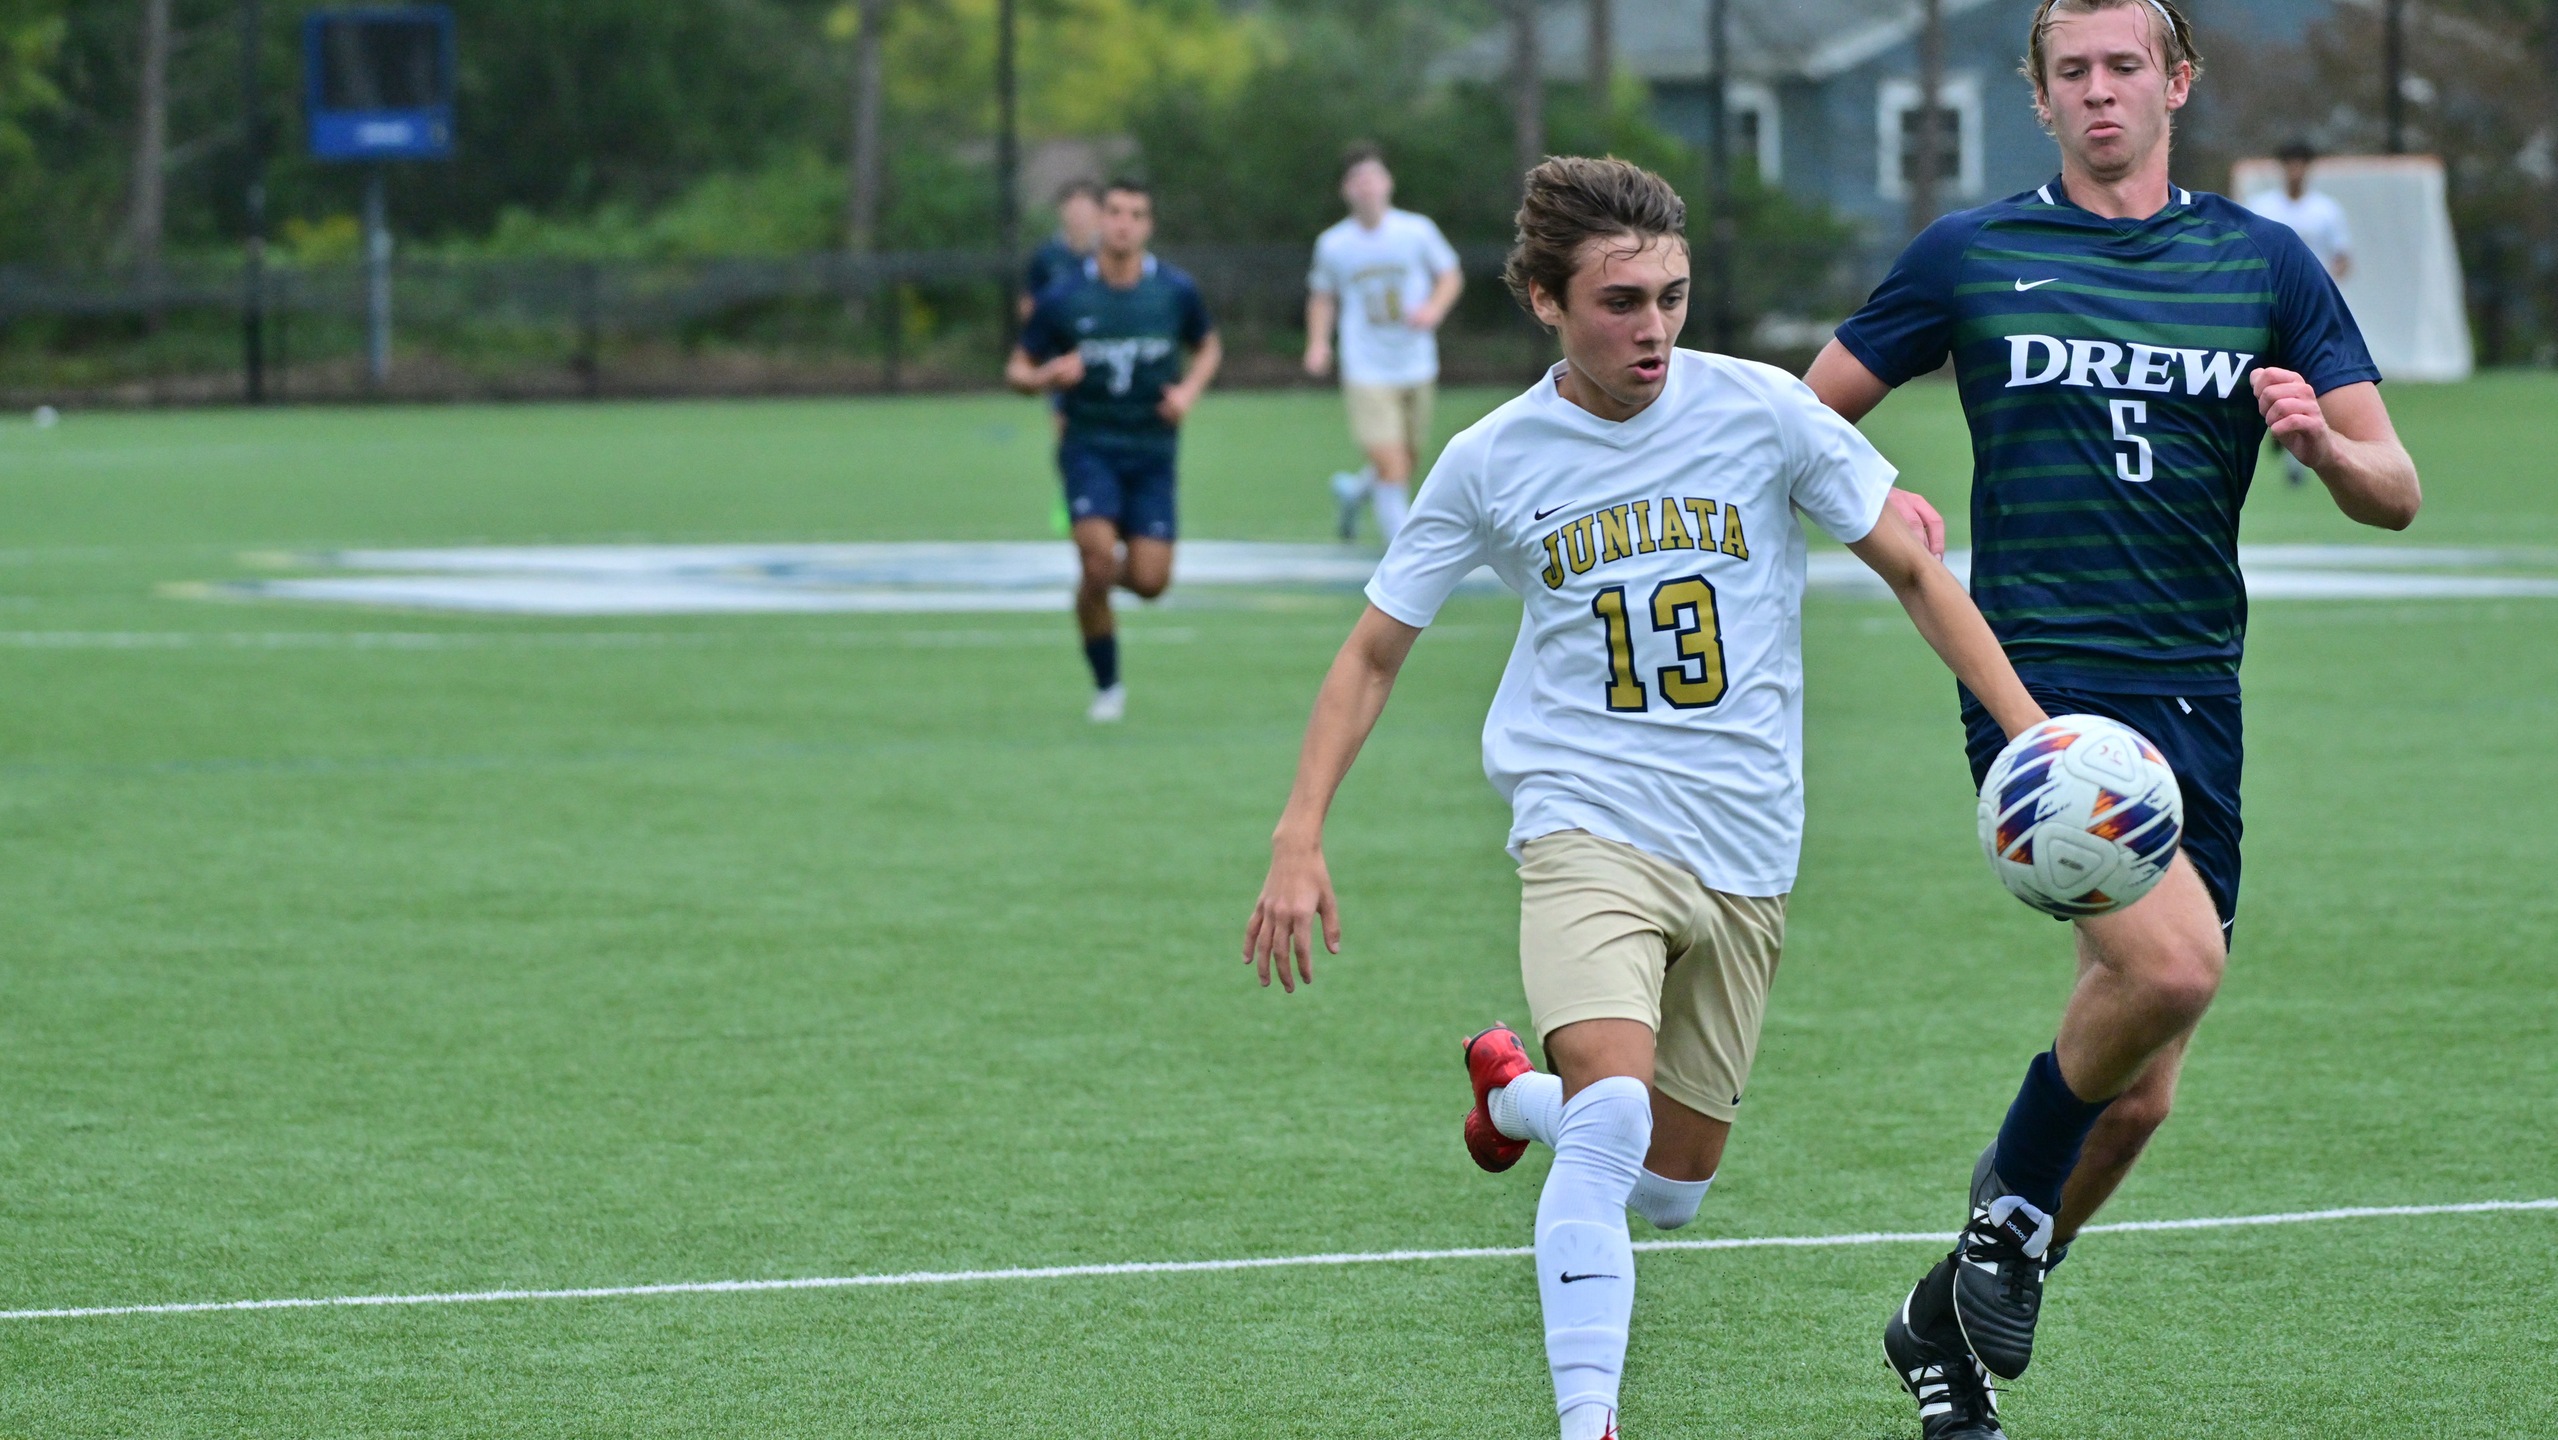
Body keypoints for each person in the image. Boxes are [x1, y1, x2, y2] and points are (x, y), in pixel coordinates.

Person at [1244, 156, 2048, 1440]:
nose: (1654, 328)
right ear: (1544, 303)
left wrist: (2032, 740)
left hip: (1744, 845)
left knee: (1672, 1187)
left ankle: (1512, 1098)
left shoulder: (1764, 411)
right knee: (1613, 1123)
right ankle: (1587, 1419)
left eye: (1671, 295)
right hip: (1584, 825)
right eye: (1620, 301)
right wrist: (1299, 831)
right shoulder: (1490, 459)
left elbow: (1911, 565)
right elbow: (1373, 648)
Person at [1803, 2, 2421, 1435]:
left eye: (2122, 66)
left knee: (2136, 1101)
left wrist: (2323, 446)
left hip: (2195, 690)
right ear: (2035, 96)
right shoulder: (1969, 254)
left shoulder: (2259, 262)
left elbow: (2396, 487)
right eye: (2068, 71)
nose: (2098, 92)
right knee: (2174, 973)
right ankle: (2008, 1220)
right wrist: (1872, 498)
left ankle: (1936, 1328)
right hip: (2039, 694)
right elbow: (1802, 417)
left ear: (2176, 82)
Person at [1006, 180, 1222, 724]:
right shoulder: (1065, 296)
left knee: (1150, 582)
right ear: (1100, 220)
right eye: (1116, 212)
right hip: (1089, 446)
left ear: (1148, 226)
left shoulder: (1174, 291)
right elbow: (1016, 369)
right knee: (1098, 560)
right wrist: (1047, 376)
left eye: (1137, 214)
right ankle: (1107, 685)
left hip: (1152, 450)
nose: (1124, 223)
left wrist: (1188, 392)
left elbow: (1209, 345)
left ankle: (1091, 589)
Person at [1304, 144, 1464, 543]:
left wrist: (1433, 309)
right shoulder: (1334, 243)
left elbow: (1450, 274)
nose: (1367, 187)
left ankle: (1354, 495)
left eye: (1373, 177)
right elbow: (1323, 295)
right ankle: (1404, 550)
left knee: (1404, 461)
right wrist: (1318, 342)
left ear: (1388, 183)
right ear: (1346, 190)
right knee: (1391, 464)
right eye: (1358, 180)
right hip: (1366, 365)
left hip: (1415, 361)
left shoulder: (1416, 231)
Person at [2244, 141, 2354, 485]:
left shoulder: (2325, 211)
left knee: (2304, 384)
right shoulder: (2261, 207)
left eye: (2300, 164)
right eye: (2289, 163)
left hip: (2307, 312)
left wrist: (2324, 285)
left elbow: (2342, 257)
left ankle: (2294, 461)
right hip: (2265, 309)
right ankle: (2271, 433)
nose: (2295, 170)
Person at [1020, 180, 1104, 322]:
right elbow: (1027, 305)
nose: (1077, 213)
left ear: (1100, 212)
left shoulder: (1110, 253)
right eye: (1072, 206)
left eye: (1084, 206)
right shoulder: (1046, 255)